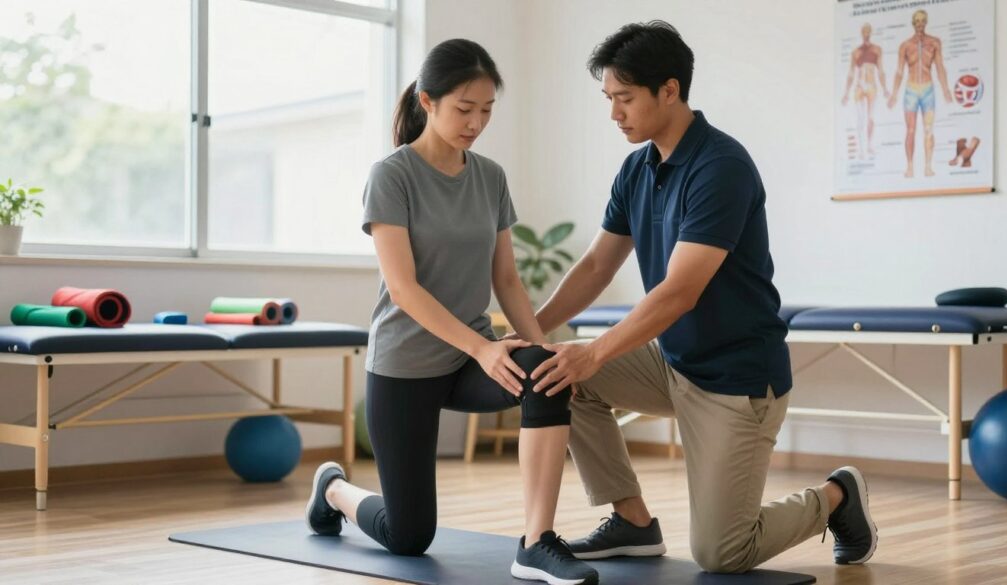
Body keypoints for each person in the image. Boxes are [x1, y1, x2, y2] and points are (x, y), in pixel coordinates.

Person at [523, 21, 878, 573]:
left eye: (625, 98)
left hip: (735, 380)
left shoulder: (721, 167)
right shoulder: (636, 168)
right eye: (608, 99)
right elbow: (596, 264)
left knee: (721, 553)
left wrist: (594, 350)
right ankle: (633, 521)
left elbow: (680, 292)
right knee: (562, 375)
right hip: (672, 362)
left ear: (670, 90)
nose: (614, 113)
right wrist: (532, 328)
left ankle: (836, 497)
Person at [303, 39, 597, 585]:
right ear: (427, 101)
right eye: (465, 109)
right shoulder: (392, 175)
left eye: (486, 110)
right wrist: (483, 348)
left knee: (546, 375)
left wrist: (543, 345)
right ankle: (334, 489)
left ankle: (537, 541)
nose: (476, 123)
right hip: (405, 365)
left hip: (469, 362)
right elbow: (405, 289)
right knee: (409, 537)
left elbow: (505, 278)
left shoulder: (490, 176)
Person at [888, 9, 953, 178]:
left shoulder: (934, 43)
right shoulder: (905, 45)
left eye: (922, 20)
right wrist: (894, 94)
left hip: (927, 90)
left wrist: (946, 89)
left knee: (929, 130)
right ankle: (910, 167)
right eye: (916, 21)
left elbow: (939, 67)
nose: (919, 24)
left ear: (926, 22)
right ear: (913, 23)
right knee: (910, 130)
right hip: (911, 90)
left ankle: (928, 166)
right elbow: (899, 72)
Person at [841, 23, 889, 158]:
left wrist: (885, 89)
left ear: (871, 32)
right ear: (861, 33)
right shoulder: (855, 52)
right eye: (864, 31)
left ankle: (869, 145)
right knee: (860, 119)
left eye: (868, 31)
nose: (866, 33)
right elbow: (850, 73)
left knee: (871, 117)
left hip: (872, 86)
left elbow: (881, 71)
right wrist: (845, 93)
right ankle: (861, 150)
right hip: (859, 86)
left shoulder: (877, 49)